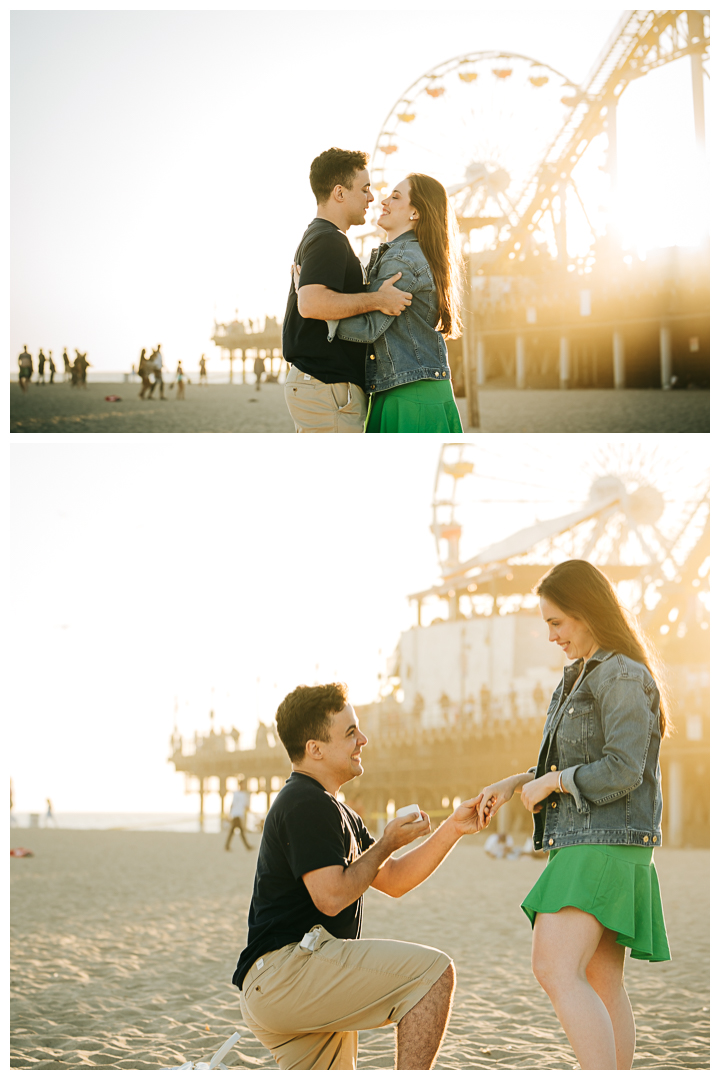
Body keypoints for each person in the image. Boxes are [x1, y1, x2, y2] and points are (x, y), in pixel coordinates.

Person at [476, 560, 671, 1071]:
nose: (550, 636)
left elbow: (624, 768)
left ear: (587, 613)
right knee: (603, 981)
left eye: (557, 622)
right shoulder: (580, 676)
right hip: (595, 838)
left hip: (601, 841)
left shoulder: (623, 674)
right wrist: (517, 782)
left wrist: (554, 782)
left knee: (554, 967)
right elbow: (571, 761)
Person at [232, 682, 485, 1070]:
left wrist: (453, 827)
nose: (363, 739)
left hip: (284, 982)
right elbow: (331, 897)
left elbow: (395, 880)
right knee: (431, 977)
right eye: (350, 732)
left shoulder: (334, 809)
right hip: (289, 973)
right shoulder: (305, 802)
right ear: (315, 748)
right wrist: (385, 843)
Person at [282, 147, 413, 434]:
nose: (371, 198)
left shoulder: (319, 236)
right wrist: (379, 299)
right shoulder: (328, 240)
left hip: (319, 385)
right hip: (326, 385)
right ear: (339, 193)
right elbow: (312, 304)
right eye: (365, 189)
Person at [325, 174, 464, 432]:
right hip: (416, 386)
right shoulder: (417, 253)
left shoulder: (402, 260)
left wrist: (319, 306)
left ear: (416, 213)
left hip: (408, 393)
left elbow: (368, 327)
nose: (383, 201)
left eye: (396, 197)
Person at [225, 779, 252, 851]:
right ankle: (247, 846)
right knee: (240, 831)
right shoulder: (236, 793)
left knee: (233, 831)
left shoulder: (244, 794)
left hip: (240, 814)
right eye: (242, 784)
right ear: (239, 785)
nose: (243, 786)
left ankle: (227, 846)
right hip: (236, 814)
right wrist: (230, 814)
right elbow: (232, 804)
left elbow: (246, 806)